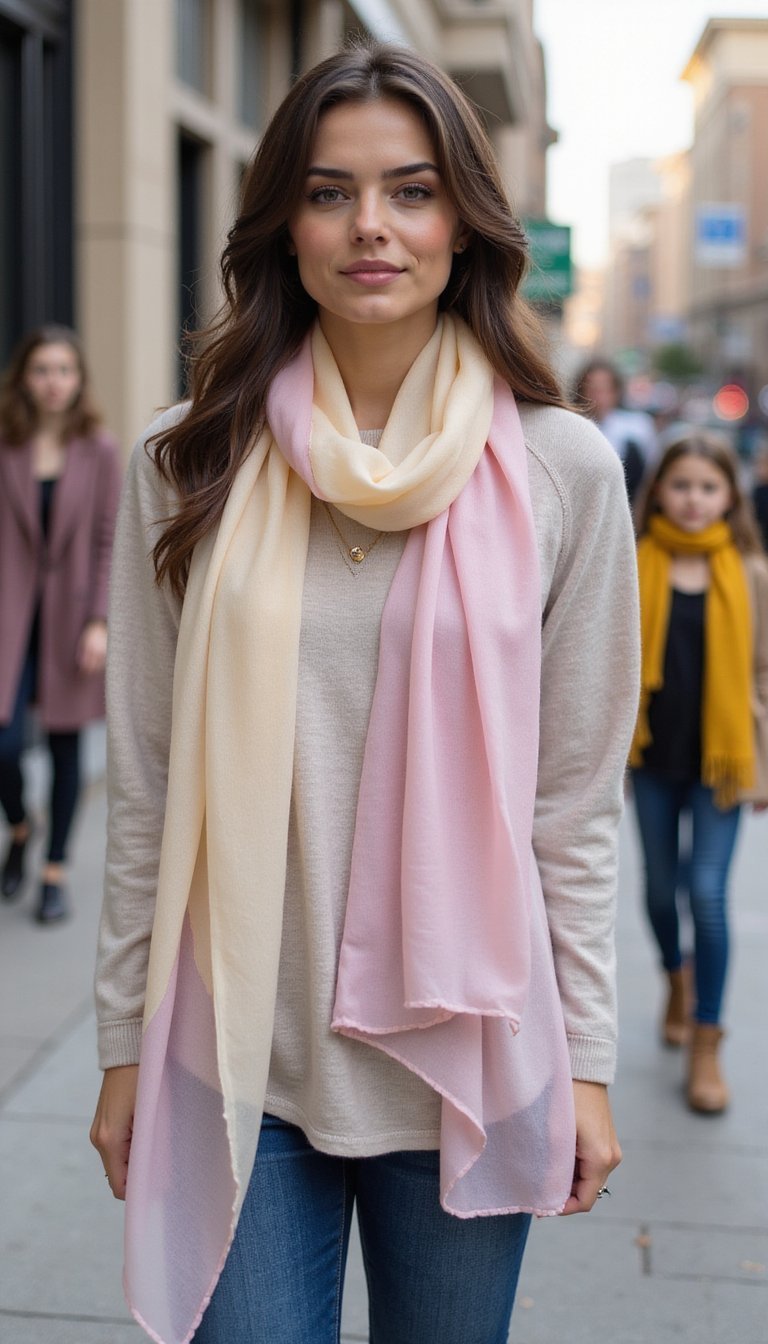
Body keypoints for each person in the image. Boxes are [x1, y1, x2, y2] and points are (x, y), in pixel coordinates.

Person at [90, 42, 639, 1344]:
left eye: (411, 189)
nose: (371, 227)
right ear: (285, 223)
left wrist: (595, 1065)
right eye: (331, 192)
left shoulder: (564, 471)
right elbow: (147, 778)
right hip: (238, 1061)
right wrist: (121, 1043)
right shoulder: (190, 461)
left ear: (466, 221)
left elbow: (573, 806)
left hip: (470, 1061)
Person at [629, 433, 768, 1114]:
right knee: (659, 894)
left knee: (707, 896)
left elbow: (764, 673)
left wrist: (761, 761)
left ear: (729, 497)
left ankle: (707, 1041)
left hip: (722, 762)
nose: (693, 499)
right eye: (681, 485)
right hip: (651, 759)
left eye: (708, 488)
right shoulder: (632, 561)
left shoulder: (750, 572)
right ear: (658, 490)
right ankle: (674, 978)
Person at [0, 325, 121, 922]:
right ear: (24, 376)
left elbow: (108, 539)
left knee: (65, 743)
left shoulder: (98, 448)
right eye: (42, 369)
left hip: (72, 617)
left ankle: (53, 871)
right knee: (4, 745)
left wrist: (99, 618)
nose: (53, 382)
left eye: (64, 370)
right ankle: (20, 826)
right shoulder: (6, 441)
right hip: (9, 615)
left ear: (79, 380)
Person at [574, 357, 657, 509]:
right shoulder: (571, 431)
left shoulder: (637, 427)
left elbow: (648, 479)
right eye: (593, 389)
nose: (598, 396)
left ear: (616, 392)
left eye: (605, 389)